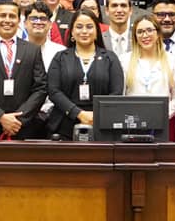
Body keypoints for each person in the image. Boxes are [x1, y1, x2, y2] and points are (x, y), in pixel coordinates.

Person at [0, 2, 49, 140]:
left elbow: (41, 88)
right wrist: (0, 117)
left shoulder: (32, 50)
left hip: (24, 127)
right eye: (2, 15)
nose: (7, 20)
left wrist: (18, 120)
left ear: (19, 21)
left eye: (12, 16)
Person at [45, 11, 123, 141]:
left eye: (89, 26)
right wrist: (79, 114)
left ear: (97, 31)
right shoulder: (60, 57)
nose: (84, 31)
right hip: (64, 125)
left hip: (101, 124)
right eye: (79, 27)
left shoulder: (110, 58)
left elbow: (117, 92)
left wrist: (96, 114)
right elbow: (53, 91)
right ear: (72, 32)